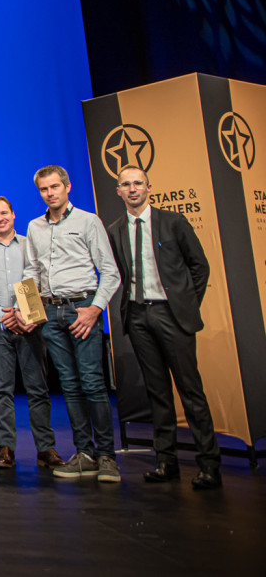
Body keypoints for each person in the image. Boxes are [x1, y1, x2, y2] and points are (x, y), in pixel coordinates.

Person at [107, 165, 219, 488]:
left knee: (190, 391)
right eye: (125, 184)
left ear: (149, 187)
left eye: (137, 183)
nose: (132, 189)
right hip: (139, 316)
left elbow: (200, 266)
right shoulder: (115, 229)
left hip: (171, 315)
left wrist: (184, 305)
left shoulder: (173, 222)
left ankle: (209, 463)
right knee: (157, 393)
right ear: (118, 191)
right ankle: (165, 461)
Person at [24, 165, 121, 482]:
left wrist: (94, 309)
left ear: (67, 187)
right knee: (70, 385)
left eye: (54, 187)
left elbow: (110, 272)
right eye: (44, 189)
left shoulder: (88, 221)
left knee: (92, 382)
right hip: (51, 313)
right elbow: (31, 274)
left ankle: (107, 456)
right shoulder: (35, 227)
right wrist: (33, 314)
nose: (50, 193)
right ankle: (85, 453)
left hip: (82, 308)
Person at [0, 197, 61, 469]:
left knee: (38, 389)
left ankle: (46, 448)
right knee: (0, 390)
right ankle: (5, 447)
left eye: (3, 213)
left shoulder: (30, 246)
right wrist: (2, 314)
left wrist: (21, 313)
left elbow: (41, 280)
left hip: (30, 324)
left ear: (13, 214)